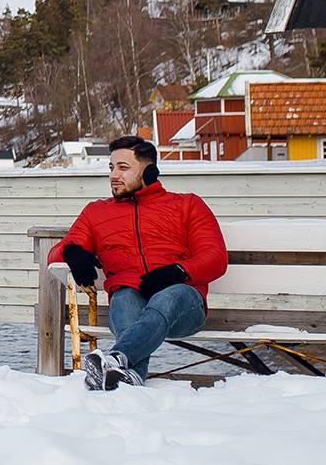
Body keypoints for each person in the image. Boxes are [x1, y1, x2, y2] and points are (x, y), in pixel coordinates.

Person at [47, 135, 227, 391]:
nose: (113, 175)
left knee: (170, 296)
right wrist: (72, 252)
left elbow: (216, 258)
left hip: (184, 306)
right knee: (124, 296)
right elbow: (54, 254)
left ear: (149, 171)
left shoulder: (187, 205)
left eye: (123, 168)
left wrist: (178, 271)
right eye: (111, 168)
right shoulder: (96, 212)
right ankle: (127, 376)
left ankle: (115, 358)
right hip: (129, 299)